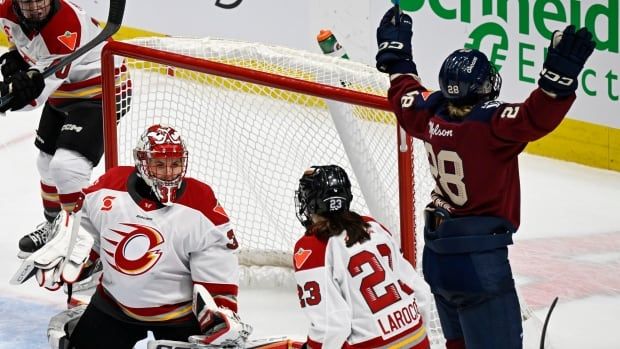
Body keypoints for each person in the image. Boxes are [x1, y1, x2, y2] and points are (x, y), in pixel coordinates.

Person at [375, 6, 595, 349]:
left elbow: (404, 93)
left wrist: (396, 55)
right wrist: (558, 81)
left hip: (436, 259)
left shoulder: (429, 113)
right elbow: (534, 117)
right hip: (479, 265)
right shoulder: (490, 127)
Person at [31, 124, 249, 349]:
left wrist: (220, 312)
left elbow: (217, 263)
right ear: (142, 163)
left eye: (175, 164)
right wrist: (74, 256)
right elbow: (86, 234)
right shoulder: (110, 187)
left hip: (179, 317)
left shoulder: (200, 203)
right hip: (113, 306)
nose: (169, 173)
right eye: (159, 165)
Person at [0, 0, 130, 257]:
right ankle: (54, 228)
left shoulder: (64, 28)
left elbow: (34, 96)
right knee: (46, 164)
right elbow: (20, 41)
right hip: (64, 93)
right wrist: (18, 55)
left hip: (102, 91)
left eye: (41, 1)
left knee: (67, 167)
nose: (36, 9)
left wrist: (13, 94)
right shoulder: (6, 12)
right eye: (28, 4)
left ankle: (82, 241)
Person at [293, 165, 432, 349]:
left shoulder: (312, 247)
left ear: (310, 202)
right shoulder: (373, 226)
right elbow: (420, 290)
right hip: (418, 338)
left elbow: (332, 325)